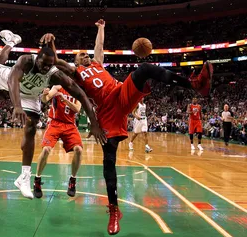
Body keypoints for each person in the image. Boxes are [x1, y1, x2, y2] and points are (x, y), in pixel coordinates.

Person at [41, 18, 213, 235]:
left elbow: (99, 47)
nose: (85, 55)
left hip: (120, 94)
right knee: (109, 159)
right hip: (106, 112)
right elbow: (55, 60)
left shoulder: (97, 63)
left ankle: (195, 84)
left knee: (145, 69)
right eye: (80, 54)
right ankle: (114, 210)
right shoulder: (75, 72)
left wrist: (102, 28)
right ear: (75, 60)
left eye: (86, 53)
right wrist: (50, 43)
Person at [0, 30, 106, 199]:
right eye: (43, 64)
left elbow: (80, 94)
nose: (45, 69)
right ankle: (11, 42)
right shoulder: (26, 61)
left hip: (30, 96)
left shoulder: (55, 75)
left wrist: (94, 122)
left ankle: (24, 177)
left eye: (48, 66)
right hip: (11, 82)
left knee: (31, 126)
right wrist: (16, 106)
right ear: (38, 58)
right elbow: (13, 80)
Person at [34, 85, 83, 198]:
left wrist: (64, 99)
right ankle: (37, 179)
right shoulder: (57, 87)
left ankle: (72, 181)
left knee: (79, 150)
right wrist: (45, 94)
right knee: (46, 149)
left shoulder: (77, 90)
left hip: (70, 125)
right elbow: (45, 100)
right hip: (55, 123)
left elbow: (77, 109)